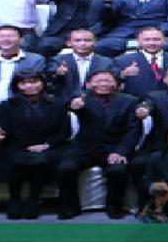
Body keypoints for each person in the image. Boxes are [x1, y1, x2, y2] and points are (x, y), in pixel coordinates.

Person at [56, 70, 142, 220]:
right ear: (89, 84)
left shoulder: (130, 101)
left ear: (116, 84)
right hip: (84, 147)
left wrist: (121, 151)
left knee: (118, 170)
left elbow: (133, 130)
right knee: (65, 168)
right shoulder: (82, 98)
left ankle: (114, 206)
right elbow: (69, 103)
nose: (103, 84)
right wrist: (73, 105)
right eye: (98, 81)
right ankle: (70, 207)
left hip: (113, 147)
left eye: (108, 80)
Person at [0, 71, 68, 220]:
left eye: (34, 81)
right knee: (16, 160)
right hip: (16, 145)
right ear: (17, 86)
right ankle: (15, 199)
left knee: (40, 161)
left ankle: (33, 199)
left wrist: (46, 145)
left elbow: (64, 132)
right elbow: (2, 130)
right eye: (24, 83)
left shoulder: (57, 104)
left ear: (42, 83)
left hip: (46, 146)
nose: (30, 86)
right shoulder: (7, 105)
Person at [36, 0, 108, 55]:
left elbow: (107, 19)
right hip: (63, 34)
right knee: (45, 46)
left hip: (91, 35)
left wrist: (108, 2)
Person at [0, 26, 47, 101]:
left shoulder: (35, 59)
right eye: (1, 37)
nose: (6, 39)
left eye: (11, 36)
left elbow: (38, 83)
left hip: (21, 102)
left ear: (21, 39)